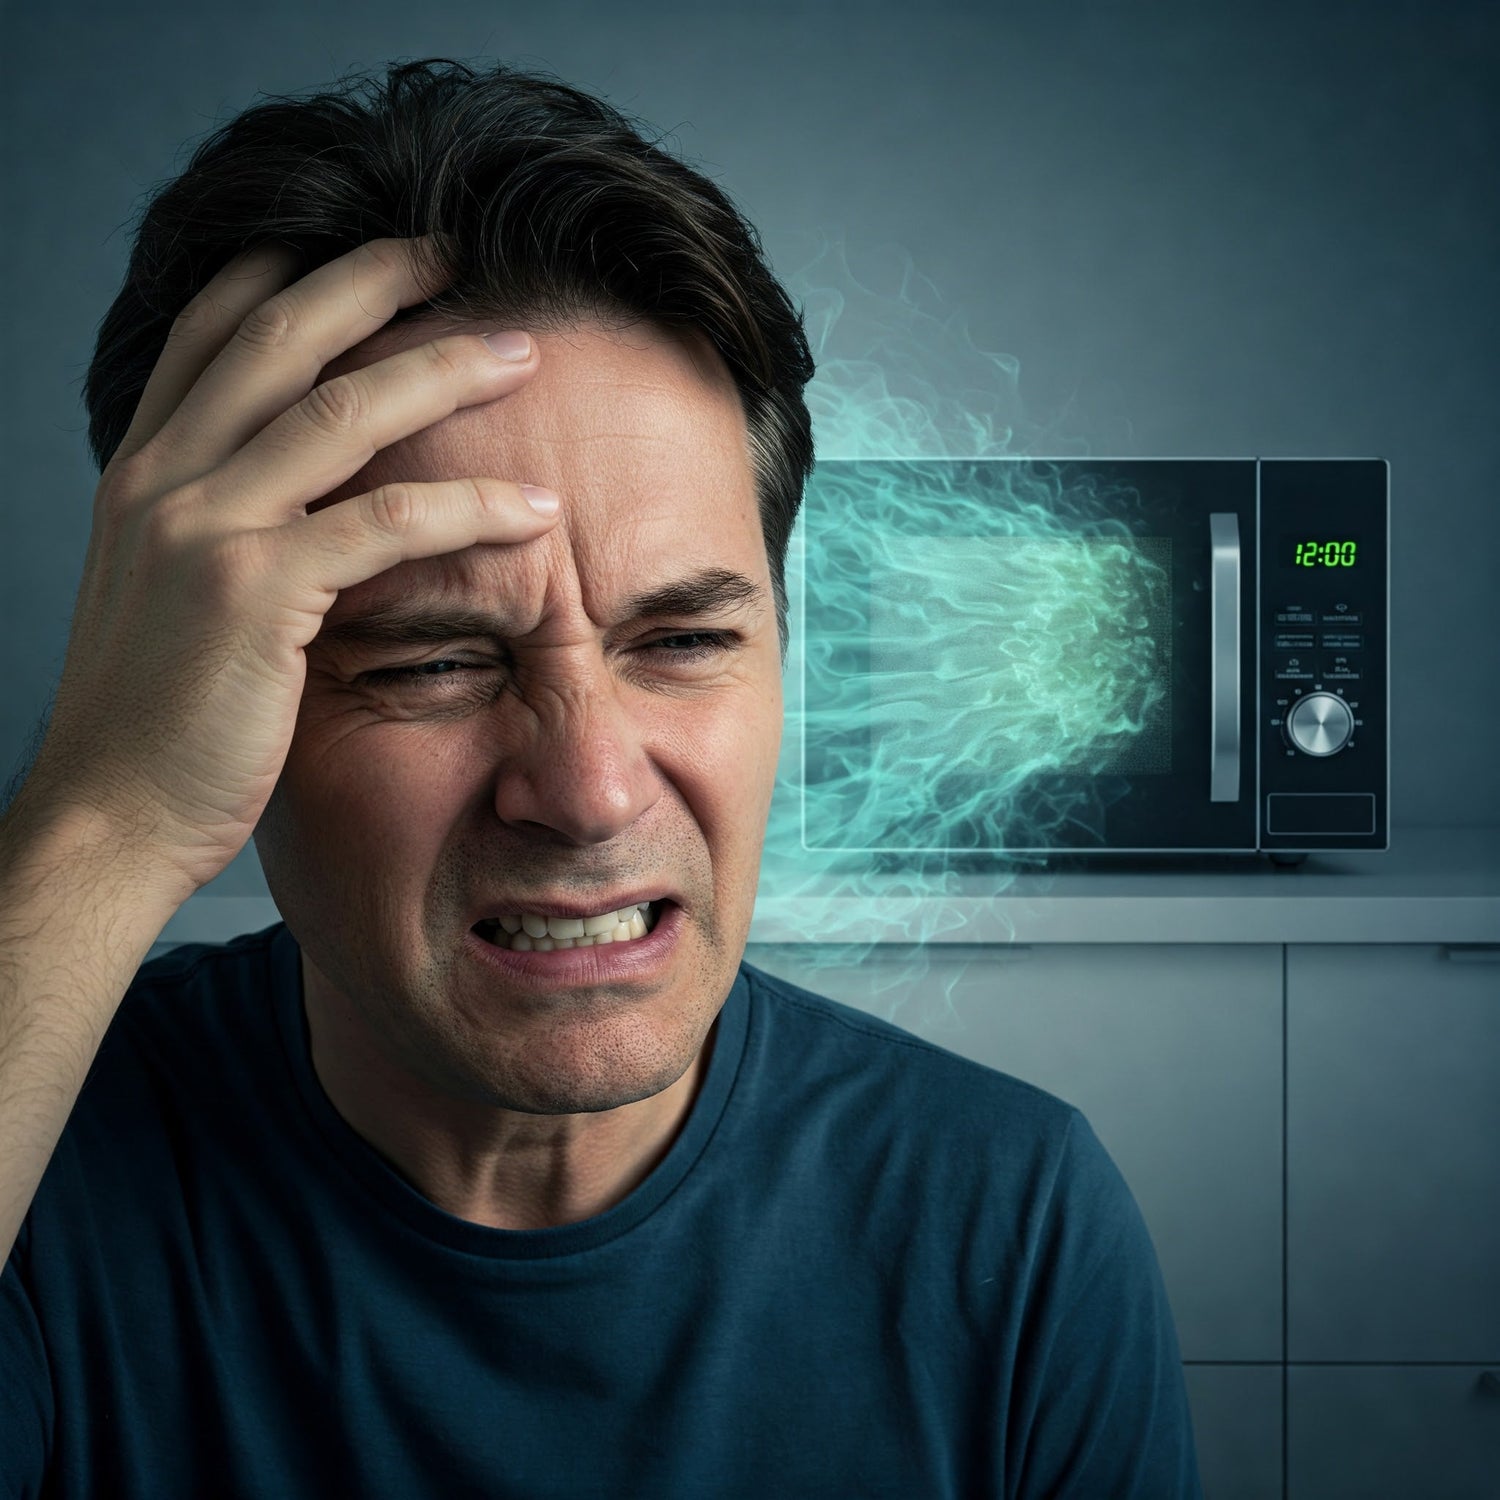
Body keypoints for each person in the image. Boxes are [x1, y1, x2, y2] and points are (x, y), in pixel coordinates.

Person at [0, 57, 1202, 1499]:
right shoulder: (45, 1176)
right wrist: (106, 820)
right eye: (431, 662)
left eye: (685, 637)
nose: (589, 793)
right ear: (205, 697)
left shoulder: (1012, 1224)